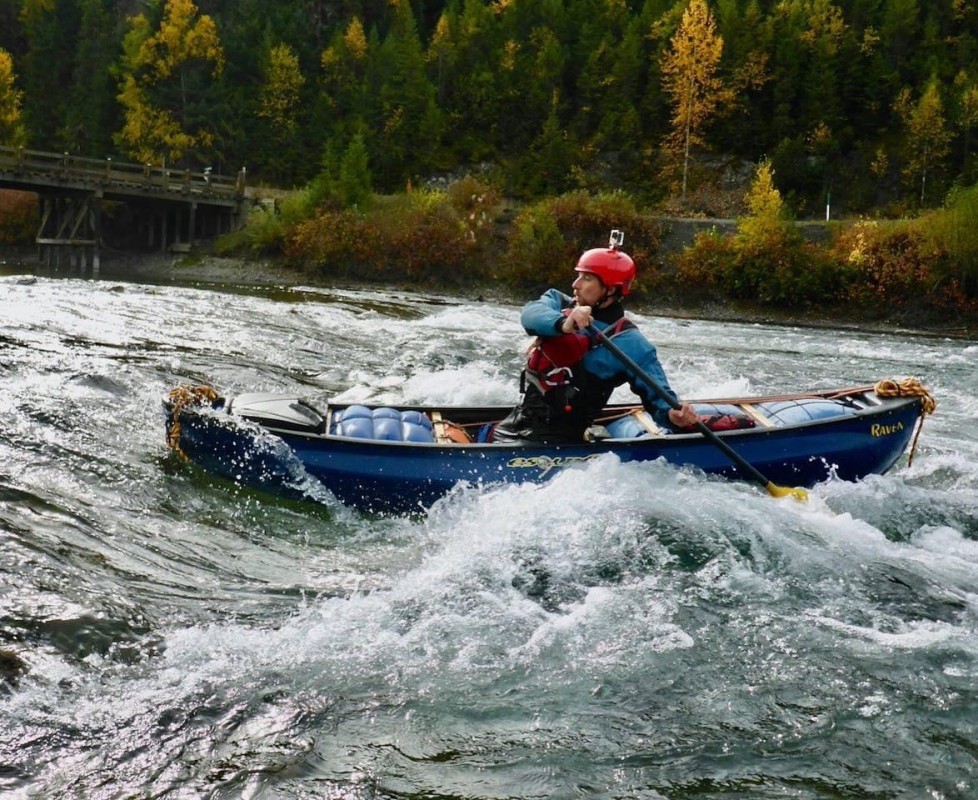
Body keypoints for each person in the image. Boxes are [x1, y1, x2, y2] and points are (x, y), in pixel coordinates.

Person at [492, 233, 698, 444]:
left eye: (587, 278)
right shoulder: (557, 302)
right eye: (579, 275)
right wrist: (564, 324)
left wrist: (674, 415)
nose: (576, 284)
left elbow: (660, 400)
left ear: (610, 289)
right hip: (514, 425)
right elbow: (530, 315)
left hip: (557, 442)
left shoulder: (631, 343)